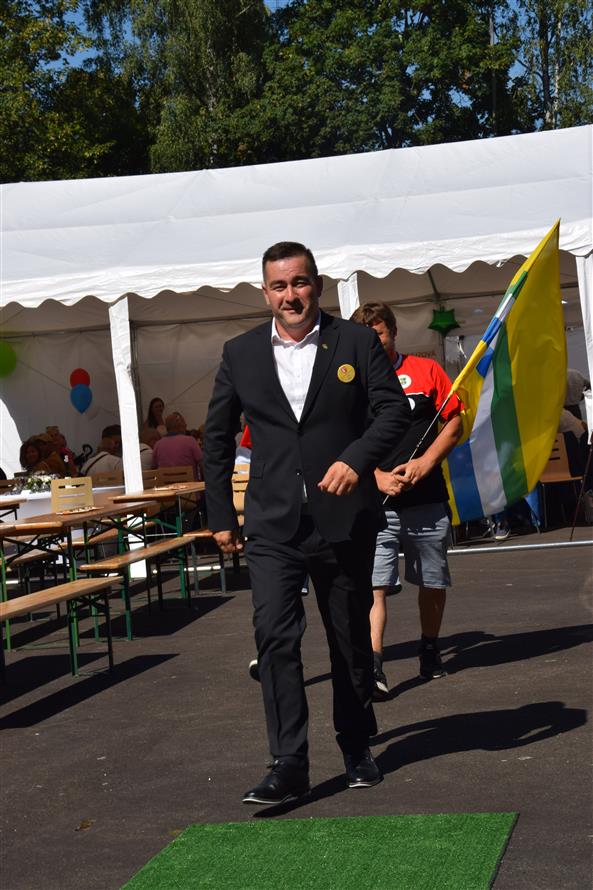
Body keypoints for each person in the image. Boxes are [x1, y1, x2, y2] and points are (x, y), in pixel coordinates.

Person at [204, 241, 411, 806]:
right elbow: (217, 437)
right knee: (274, 637)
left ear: (317, 285)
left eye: (299, 283)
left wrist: (356, 460)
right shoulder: (240, 352)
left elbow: (393, 410)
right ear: (265, 292)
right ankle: (288, 763)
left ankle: (356, 745)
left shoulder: (356, 341)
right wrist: (220, 513)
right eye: (279, 286)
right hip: (273, 525)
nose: (290, 295)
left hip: (343, 519)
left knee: (349, 640)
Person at [350, 302, 462, 699]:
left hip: (426, 501)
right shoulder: (349, 383)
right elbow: (340, 440)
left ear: (393, 333)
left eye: (378, 334)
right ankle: (374, 665)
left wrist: (426, 462)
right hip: (373, 504)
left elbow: (454, 421)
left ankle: (429, 648)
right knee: (374, 587)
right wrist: (375, 477)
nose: (373, 342)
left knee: (431, 581)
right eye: (365, 337)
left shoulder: (426, 370)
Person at [151, 412, 203, 480]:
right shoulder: (190, 441)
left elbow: (153, 469)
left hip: (166, 485)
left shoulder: (158, 444)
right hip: (189, 485)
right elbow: (202, 464)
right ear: (179, 426)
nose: (185, 426)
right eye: (184, 424)